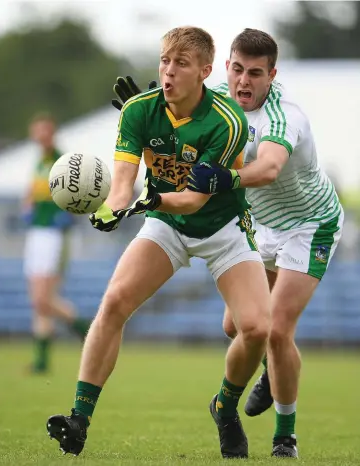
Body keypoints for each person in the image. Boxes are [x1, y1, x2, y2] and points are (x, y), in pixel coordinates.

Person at [46, 26, 271, 459]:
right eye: (164, 61)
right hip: (165, 225)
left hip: (223, 228)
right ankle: (78, 418)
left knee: (258, 328)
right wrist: (111, 208)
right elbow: (122, 182)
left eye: (180, 64)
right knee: (113, 303)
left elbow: (194, 199)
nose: (168, 72)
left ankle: (224, 406)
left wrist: (149, 199)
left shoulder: (227, 122)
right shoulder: (137, 111)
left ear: (205, 71)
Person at [187, 28, 344, 458]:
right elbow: (177, 113)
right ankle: (272, 375)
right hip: (260, 226)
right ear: (227, 68)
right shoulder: (216, 99)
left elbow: (271, 167)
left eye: (255, 73)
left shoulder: (284, 115)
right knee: (235, 328)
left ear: (272, 74)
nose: (244, 82)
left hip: (310, 225)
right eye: (237, 69)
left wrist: (227, 178)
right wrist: (143, 110)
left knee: (276, 331)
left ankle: (284, 438)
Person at [22, 113, 90, 373]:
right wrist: (27, 206)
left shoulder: (62, 161)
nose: (38, 136)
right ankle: (41, 362)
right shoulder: (39, 161)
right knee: (38, 301)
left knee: (44, 299)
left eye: (43, 131)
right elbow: (30, 193)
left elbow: (80, 193)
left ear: (51, 133)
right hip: (36, 233)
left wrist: (68, 214)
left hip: (53, 235)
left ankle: (86, 330)